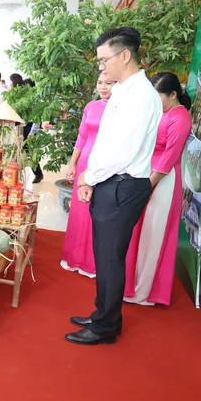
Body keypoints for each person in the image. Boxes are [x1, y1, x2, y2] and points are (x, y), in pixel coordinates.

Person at [68, 27, 162, 346]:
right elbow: (106, 142)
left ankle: (105, 327)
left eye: (104, 60)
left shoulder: (141, 95)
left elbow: (122, 151)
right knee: (106, 255)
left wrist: (88, 177)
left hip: (123, 184)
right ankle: (105, 315)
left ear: (125, 55)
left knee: (110, 258)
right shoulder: (123, 90)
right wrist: (92, 177)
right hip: (111, 181)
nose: (101, 68)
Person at [124, 73, 192, 306]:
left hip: (162, 182)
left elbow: (169, 158)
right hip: (144, 176)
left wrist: (147, 186)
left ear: (173, 95)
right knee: (137, 233)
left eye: (158, 96)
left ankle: (144, 292)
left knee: (152, 236)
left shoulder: (180, 117)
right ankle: (129, 285)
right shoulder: (159, 112)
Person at [61, 72, 115, 278]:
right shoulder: (91, 107)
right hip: (85, 162)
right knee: (80, 212)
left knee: (99, 212)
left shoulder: (121, 109)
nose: (103, 87)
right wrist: (73, 163)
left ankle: (94, 263)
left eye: (109, 83)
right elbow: (82, 136)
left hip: (106, 165)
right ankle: (75, 257)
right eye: (100, 82)